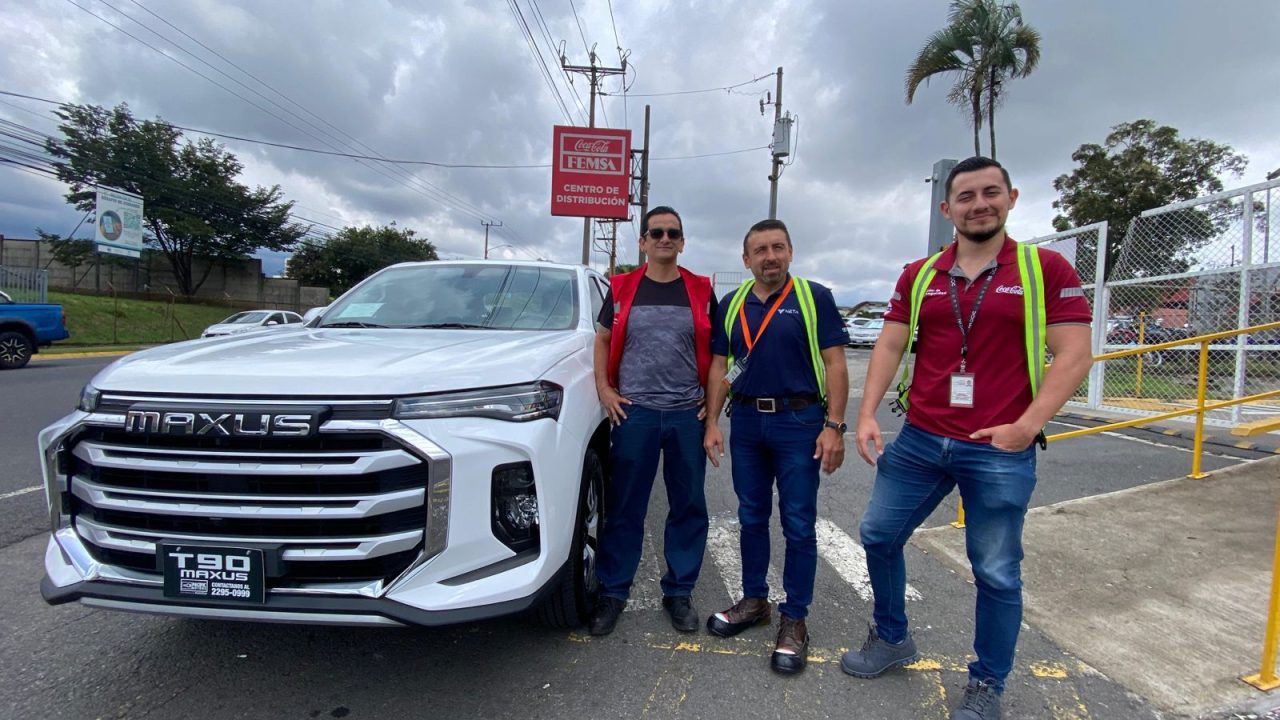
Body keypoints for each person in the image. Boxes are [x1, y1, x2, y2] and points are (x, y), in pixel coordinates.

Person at [840, 157, 1093, 719]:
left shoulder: (1043, 269)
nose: (979, 204)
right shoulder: (920, 274)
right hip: (923, 439)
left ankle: (986, 684)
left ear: (1011, 198)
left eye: (991, 193)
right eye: (967, 196)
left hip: (999, 447)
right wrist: (868, 413)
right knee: (878, 535)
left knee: (996, 570)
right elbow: (887, 345)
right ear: (946, 208)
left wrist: (1027, 426)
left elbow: (1074, 354)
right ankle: (891, 636)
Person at [703, 218, 850, 674]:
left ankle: (795, 619)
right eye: (760, 250)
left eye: (778, 248)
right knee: (750, 516)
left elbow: (835, 363)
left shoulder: (814, 297)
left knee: (799, 523)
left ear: (790, 252)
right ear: (745, 259)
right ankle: (754, 602)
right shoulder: (731, 304)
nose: (770, 257)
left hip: (799, 422)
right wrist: (711, 421)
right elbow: (720, 365)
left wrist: (835, 426)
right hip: (746, 421)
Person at [589, 206, 716, 636]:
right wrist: (605, 390)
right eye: (656, 232)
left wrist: (712, 413)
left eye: (673, 233)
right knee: (625, 507)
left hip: (685, 415)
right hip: (634, 413)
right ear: (642, 242)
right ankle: (612, 591)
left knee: (688, 507)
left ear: (682, 242)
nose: (665, 239)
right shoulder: (623, 287)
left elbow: (719, 356)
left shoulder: (700, 290)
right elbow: (603, 339)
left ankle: (679, 592)